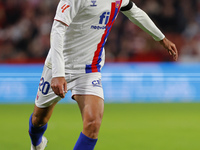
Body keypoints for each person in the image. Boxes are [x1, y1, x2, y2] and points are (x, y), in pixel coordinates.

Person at [28, 0, 178, 149]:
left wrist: (161, 38)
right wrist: (58, 73)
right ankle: (37, 144)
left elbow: (134, 11)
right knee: (39, 119)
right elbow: (57, 30)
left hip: (89, 69)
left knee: (93, 124)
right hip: (60, 65)